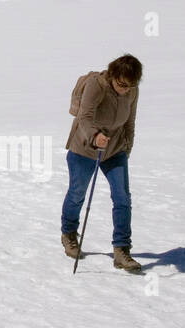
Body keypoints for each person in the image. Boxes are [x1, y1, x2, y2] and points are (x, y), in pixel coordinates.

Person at [60, 54, 144, 273]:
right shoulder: (95, 85)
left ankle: (122, 250)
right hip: (85, 147)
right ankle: (69, 233)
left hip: (115, 149)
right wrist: (95, 135)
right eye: (122, 84)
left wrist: (127, 148)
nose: (126, 89)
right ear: (113, 75)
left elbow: (130, 122)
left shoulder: (132, 91)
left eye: (131, 85)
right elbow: (84, 117)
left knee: (122, 198)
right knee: (78, 193)